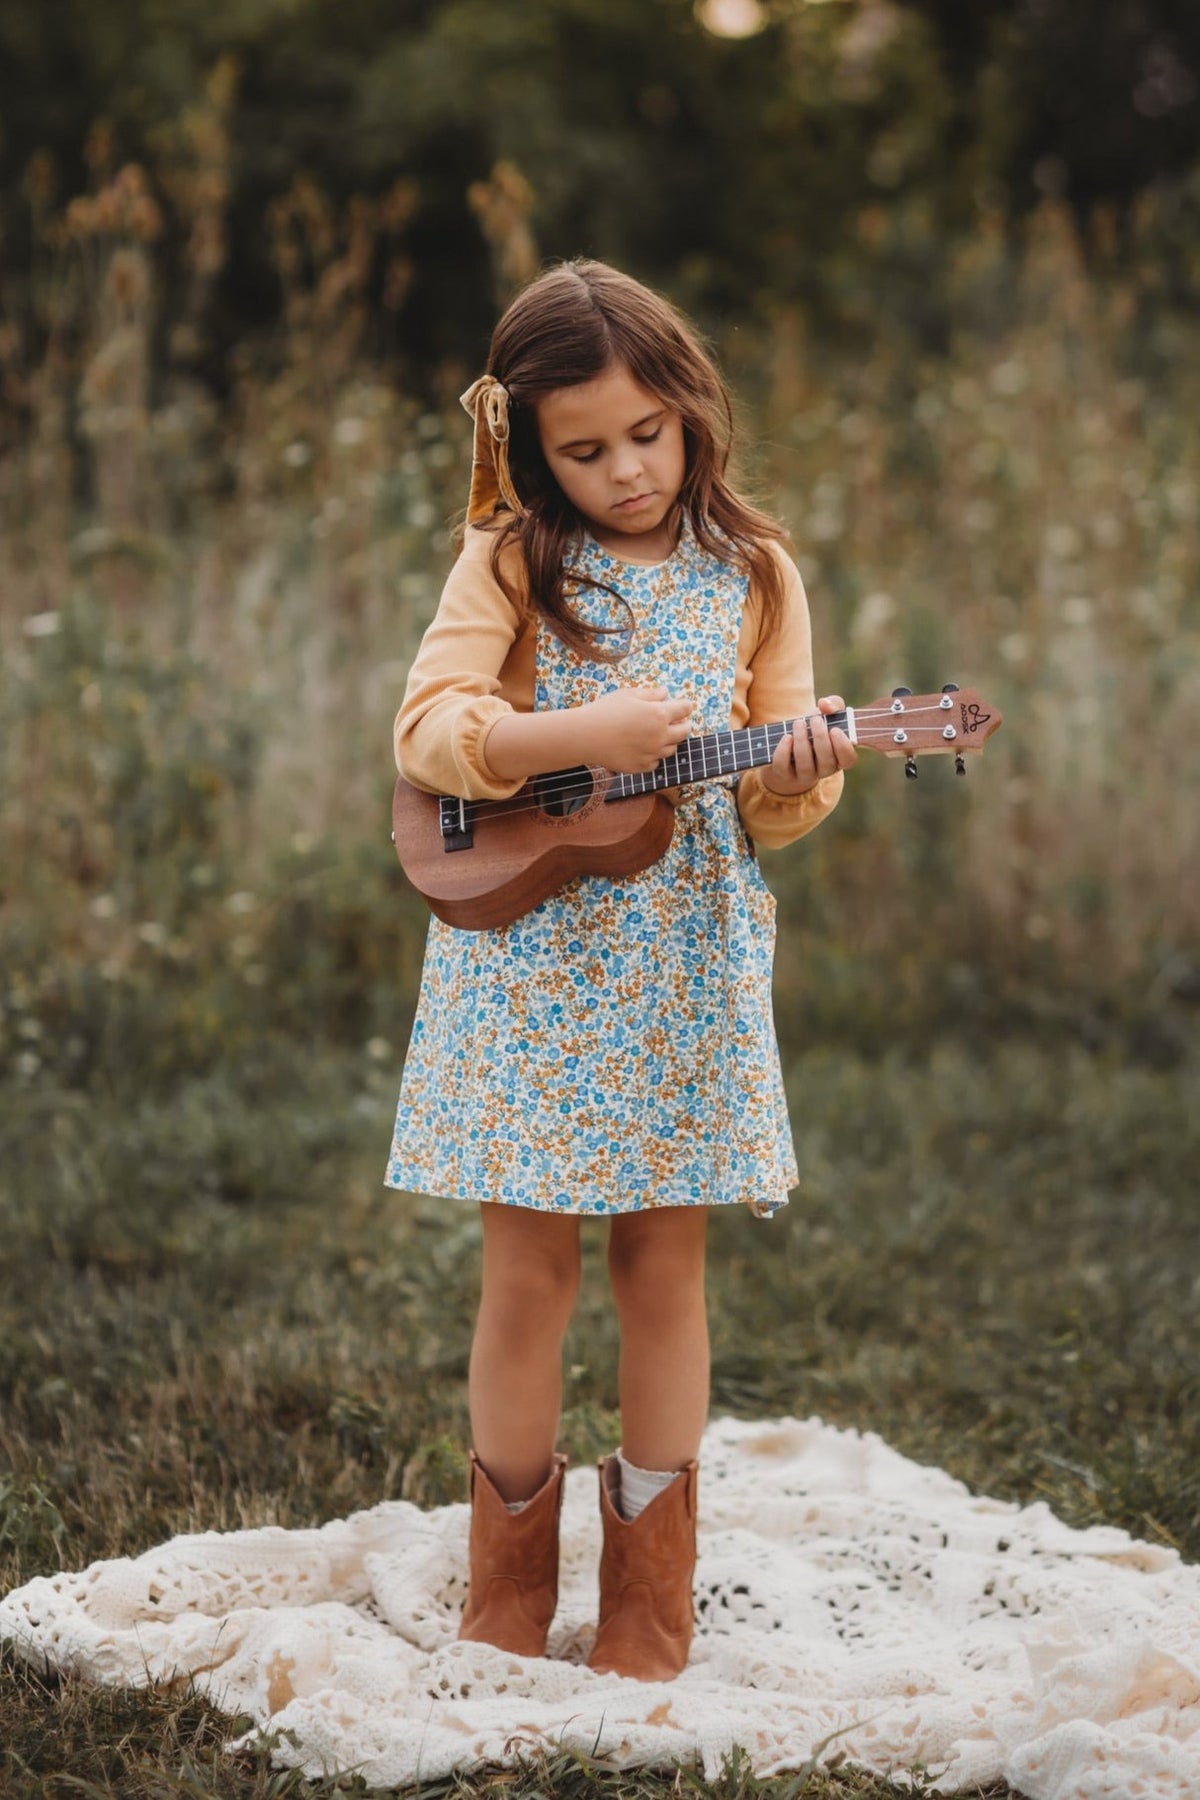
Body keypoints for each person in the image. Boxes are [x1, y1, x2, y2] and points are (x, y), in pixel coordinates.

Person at [385, 260, 856, 1682]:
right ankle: (506, 1590)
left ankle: (650, 1596)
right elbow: (430, 730)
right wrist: (569, 735)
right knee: (526, 1272)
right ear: (532, 449)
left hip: (683, 960)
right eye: (584, 451)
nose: (626, 470)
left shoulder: (758, 573)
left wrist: (804, 772)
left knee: (665, 1267)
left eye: (645, 434)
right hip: (528, 953)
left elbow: (771, 804)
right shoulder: (515, 559)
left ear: (688, 413)